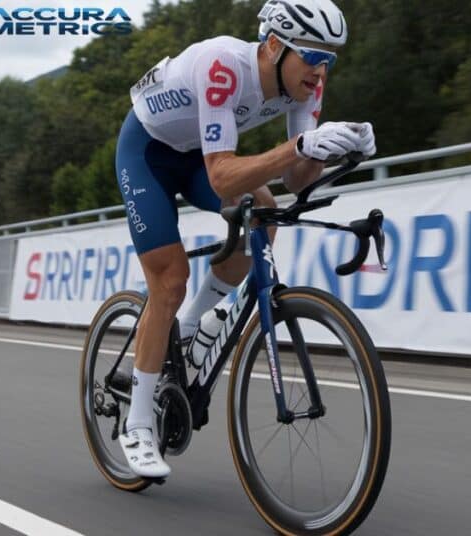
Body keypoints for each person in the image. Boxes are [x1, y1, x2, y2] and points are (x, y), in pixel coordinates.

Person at [114, 0, 376, 478]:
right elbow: (221, 180)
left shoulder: (305, 83)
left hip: (197, 154)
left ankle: (197, 323)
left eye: (330, 60)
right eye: (314, 57)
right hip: (148, 154)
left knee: (266, 213)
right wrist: (299, 146)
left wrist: (339, 149)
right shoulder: (223, 65)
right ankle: (136, 424)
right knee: (169, 282)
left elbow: (297, 179)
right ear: (275, 46)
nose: (321, 71)